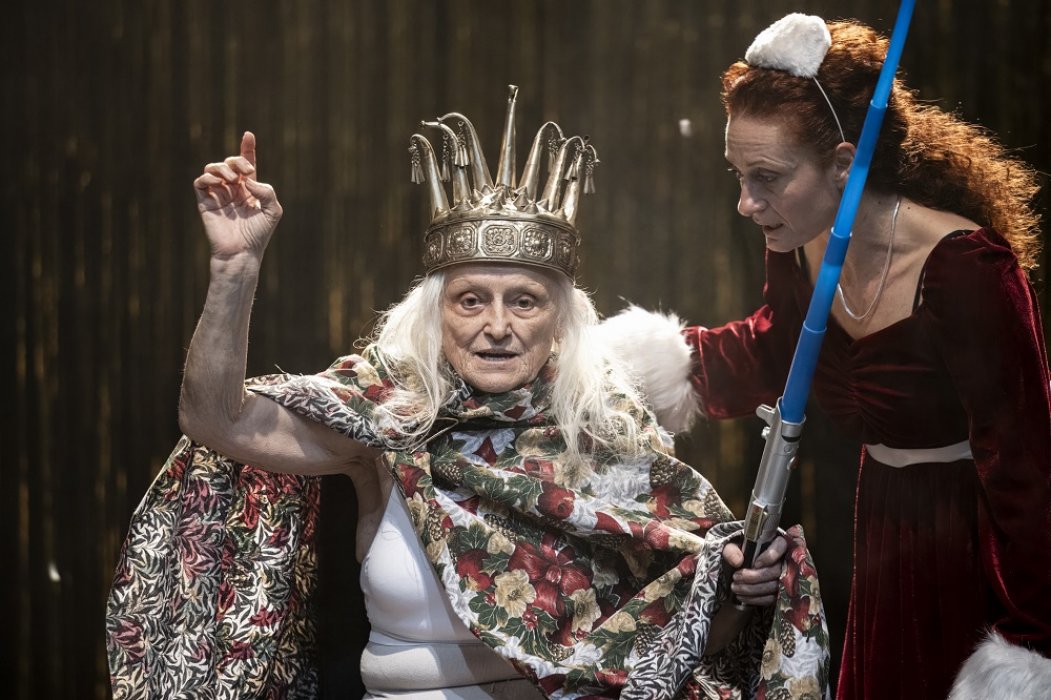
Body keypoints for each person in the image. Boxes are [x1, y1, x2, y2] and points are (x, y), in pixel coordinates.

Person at [106, 87, 830, 699]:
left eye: (524, 302)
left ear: (560, 322)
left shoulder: (609, 434)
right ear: (435, 314)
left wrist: (736, 590)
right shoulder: (384, 421)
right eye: (470, 300)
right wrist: (235, 270)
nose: (497, 327)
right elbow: (216, 419)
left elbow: (686, 636)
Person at [605, 13, 1051, 700]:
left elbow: (1027, 469)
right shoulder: (801, 240)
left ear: (843, 163)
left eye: (766, 177)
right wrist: (617, 366)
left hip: (976, 548)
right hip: (882, 532)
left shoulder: (966, 269)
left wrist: (1030, 640)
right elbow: (773, 346)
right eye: (737, 175)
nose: (745, 202)